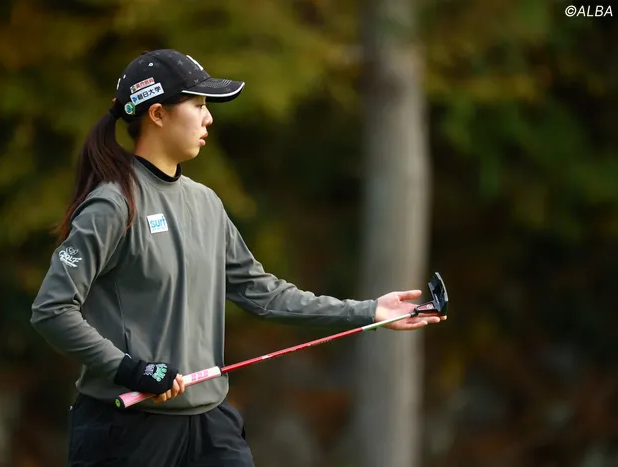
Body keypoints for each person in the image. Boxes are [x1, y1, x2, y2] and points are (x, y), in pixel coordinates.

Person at [30, 49, 446, 467]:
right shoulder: (113, 205)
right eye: (198, 105)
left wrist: (370, 311)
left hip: (211, 426)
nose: (208, 118)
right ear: (157, 114)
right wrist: (130, 370)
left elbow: (265, 294)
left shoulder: (206, 203)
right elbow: (52, 310)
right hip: (127, 430)